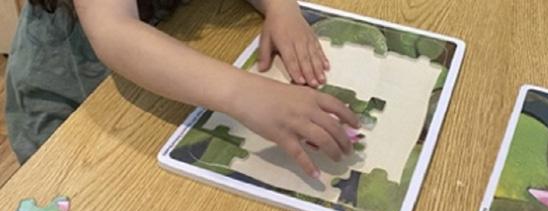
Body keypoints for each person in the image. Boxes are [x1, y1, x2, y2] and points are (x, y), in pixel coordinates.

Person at [5, 0, 359, 178]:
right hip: (72, 97)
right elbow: (113, 31)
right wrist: (248, 93)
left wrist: (280, 7)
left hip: (165, 58)